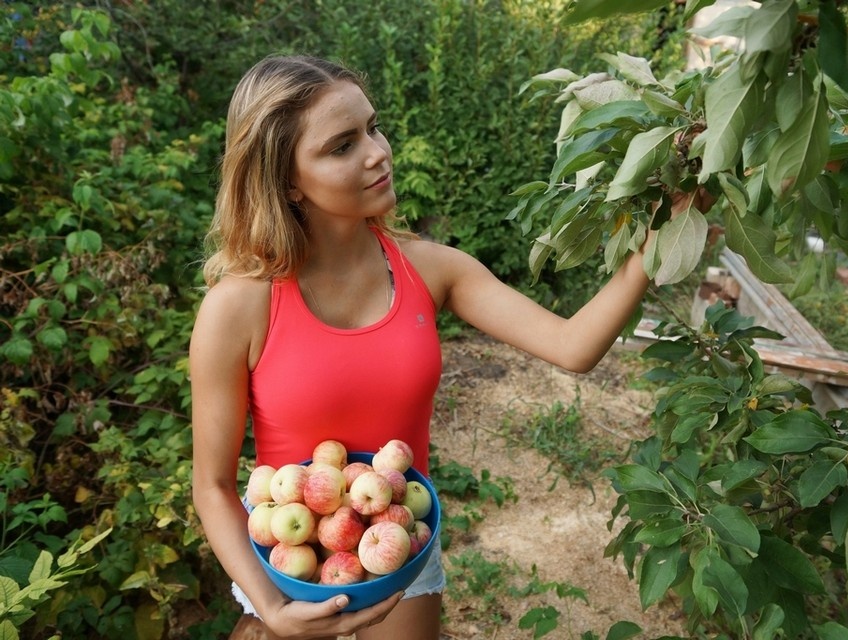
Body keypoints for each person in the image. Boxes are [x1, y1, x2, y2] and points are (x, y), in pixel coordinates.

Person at [189, 54, 656, 640]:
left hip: (401, 550)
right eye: (341, 146)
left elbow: (573, 346)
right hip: (291, 569)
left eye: (372, 127)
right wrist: (272, 609)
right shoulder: (240, 305)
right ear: (285, 179)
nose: (377, 152)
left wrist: (658, 241)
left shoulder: (430, 269)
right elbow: (211, 485)